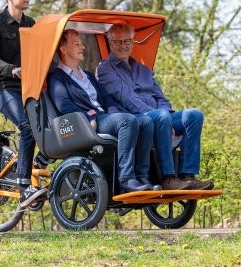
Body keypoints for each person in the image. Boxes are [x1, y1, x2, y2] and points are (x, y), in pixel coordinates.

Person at [96, 23, 214, 190]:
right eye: (117, 42)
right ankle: (168, 177)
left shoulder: (144, 69)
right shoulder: (105, 69)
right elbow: (128, 99)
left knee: (194, 115)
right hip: (135, 118)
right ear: (110, 43)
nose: (123, 46)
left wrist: (166, 118)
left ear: (133, 41)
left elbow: (160, 97)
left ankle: (187, 175)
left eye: (127, 41)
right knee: (162, 117)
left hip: (159, 116)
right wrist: (161, 117)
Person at [47, 29, 160, 192]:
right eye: (77, 44)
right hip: (87, 123)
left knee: (146, 121)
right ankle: (126, 179)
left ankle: (142, 176)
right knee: (128, 121)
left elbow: (106, 98)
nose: (82, 47)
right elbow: (63, 104)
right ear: (63, 50)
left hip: (105, 117)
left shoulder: (88, 75)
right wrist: (88, 115)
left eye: (82, 44)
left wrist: (113, 112)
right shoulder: (57, 78)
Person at [0, 0, 47, 208]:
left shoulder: (31, 24)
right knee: (27, 126)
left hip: (26, 86)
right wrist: (12, 70)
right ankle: (23, 185)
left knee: (52, 120)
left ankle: (39, 163)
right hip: (1, 87)